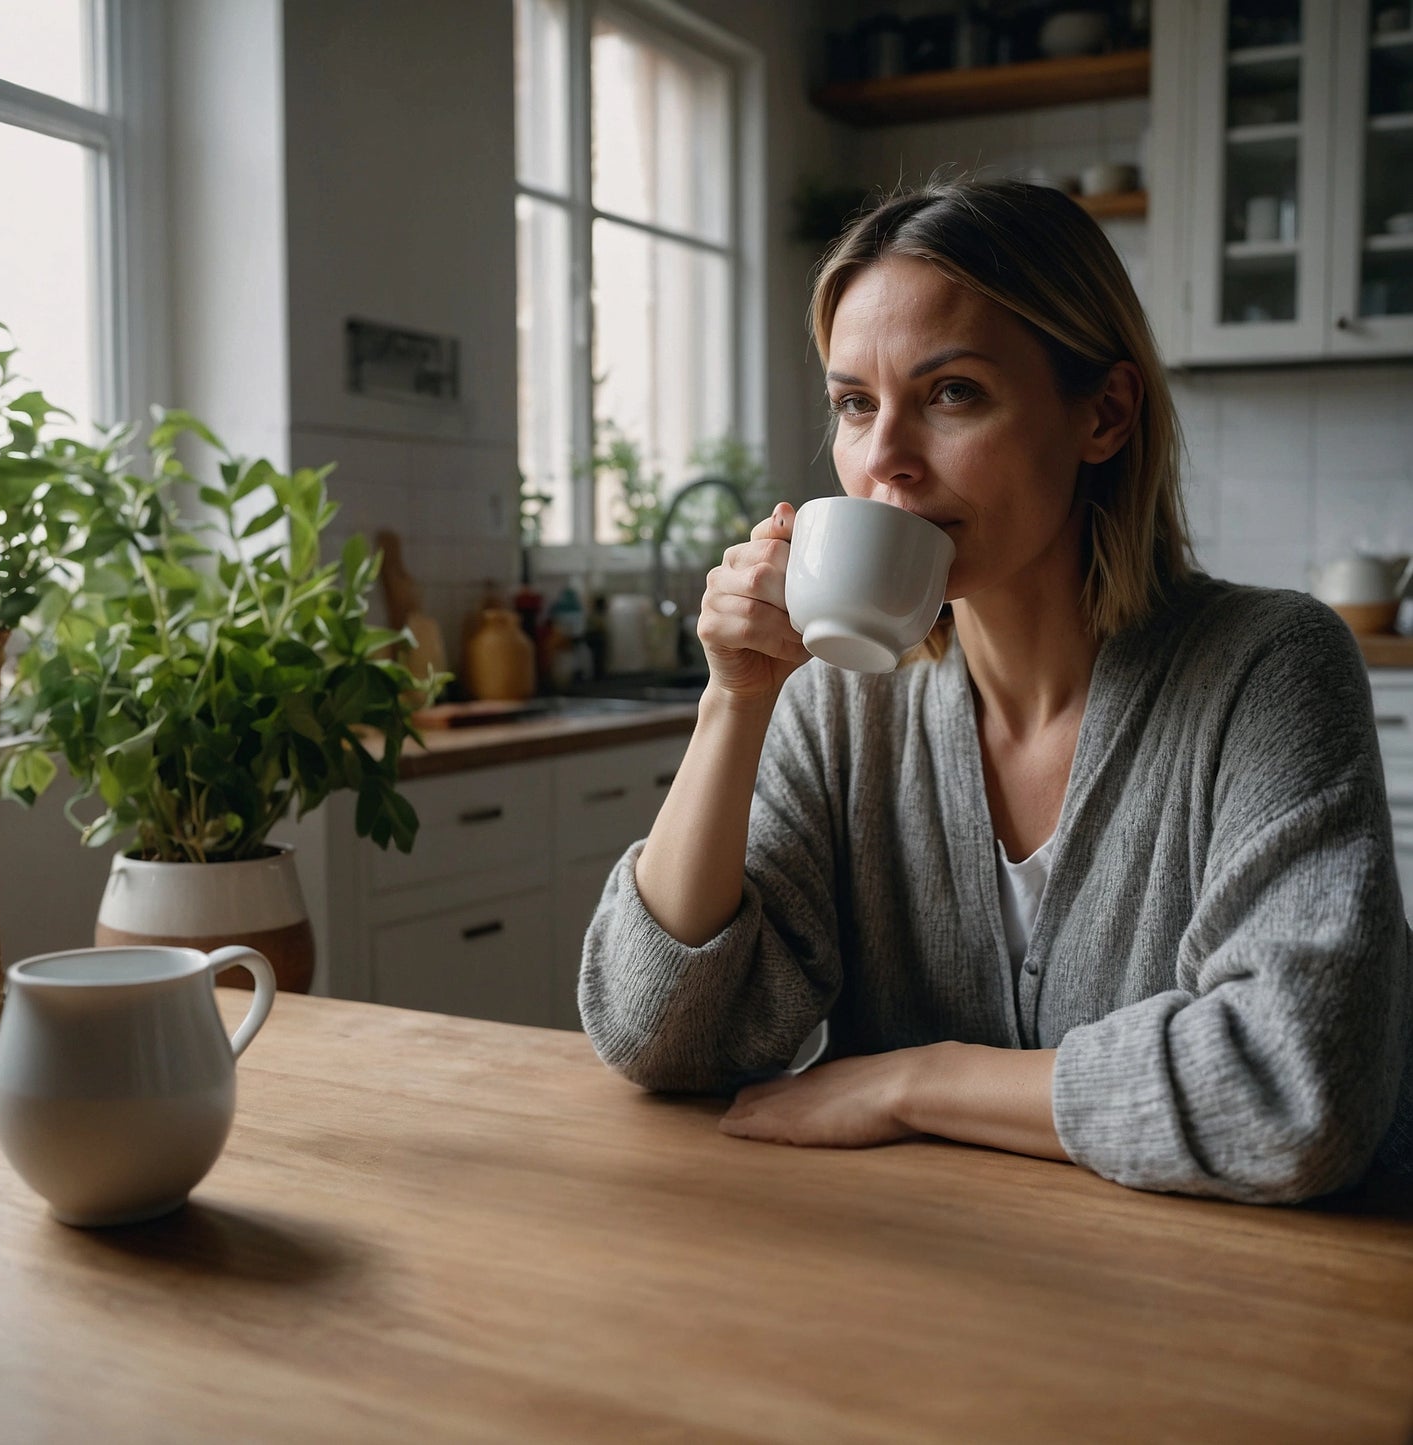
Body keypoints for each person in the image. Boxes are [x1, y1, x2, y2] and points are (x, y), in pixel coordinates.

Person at [578, 178, 1413, 1205]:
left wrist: (913, 1081)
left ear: (1101, 414)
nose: (882, 458)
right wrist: (733, 701)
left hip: (1237, 1308)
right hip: (943, 1287)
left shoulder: (1267, 666)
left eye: (950, 393)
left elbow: (1296, 1092)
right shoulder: (839, 700)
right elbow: (660, 1035)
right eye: (853, 403)